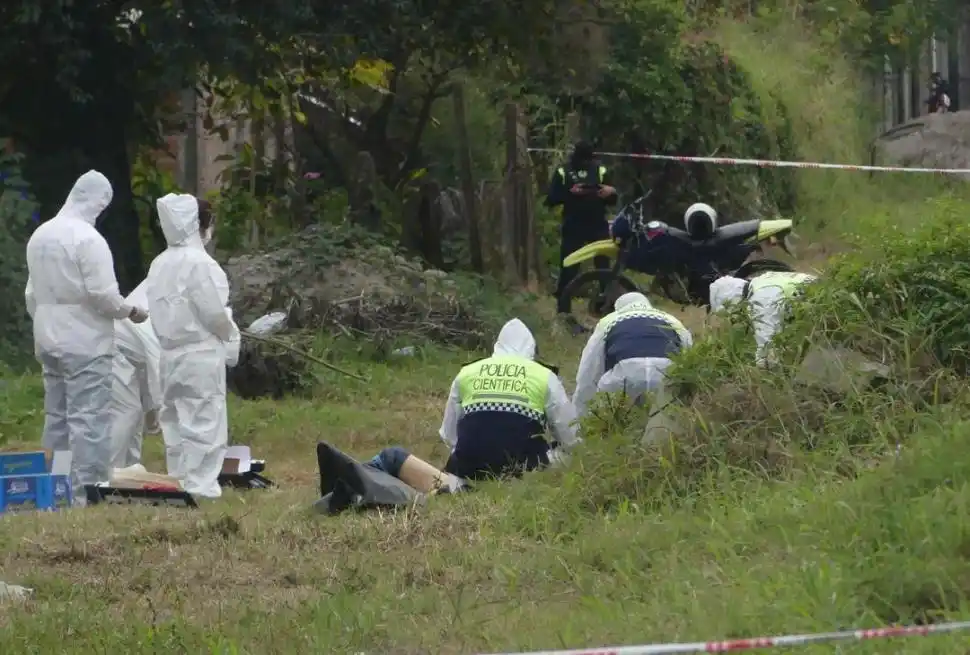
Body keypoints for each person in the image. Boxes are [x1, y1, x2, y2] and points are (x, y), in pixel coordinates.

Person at [24, 169, 150, 503]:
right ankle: (87, 495)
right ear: (100, 203)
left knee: (58, 419)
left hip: (47, 339)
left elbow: (31, 294)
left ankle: (56, 489)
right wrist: (131, 312)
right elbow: (104, 296)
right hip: (86, 344)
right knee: (89, 421)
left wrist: (47, 322)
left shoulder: (40, 235)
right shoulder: (88, 239)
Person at [107, 200, 219, 469]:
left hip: (135, 349)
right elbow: (152, 337)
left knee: (133, 417)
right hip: (121, 345)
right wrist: (162, 400)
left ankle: (123, 483)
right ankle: (101, 480)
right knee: (125, 414)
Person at [145, 193, 240, 498]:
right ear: (198, 225)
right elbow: (213, 312)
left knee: (175, 422)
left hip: (168, 354)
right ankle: (201, 488)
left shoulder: (159, 263)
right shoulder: (201, 264)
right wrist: (230, 330)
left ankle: (179, 482)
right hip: (200, 352)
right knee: (204, 421)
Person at [436, 318, 580, 480]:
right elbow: (571, 437)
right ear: (531, 348)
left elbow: (448, 435)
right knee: (568, 455)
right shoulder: (544, 376)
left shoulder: (466, 373)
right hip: (526, 472)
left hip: (469, 472)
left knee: (459, 451)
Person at [572, 292, 692, 418]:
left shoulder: (609, 320)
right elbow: (689, 354)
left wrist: (581, 416)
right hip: (666, 374)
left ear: (618, 308)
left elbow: (589, 369)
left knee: (611, 424)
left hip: (624, 376)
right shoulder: (671, 319)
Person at [545, 141, 618, 333]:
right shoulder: (563, 171)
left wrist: (609, 193)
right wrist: (570, 194)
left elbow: (613, 197)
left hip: (597, 224)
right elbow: (551, 199)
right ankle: (563, 311)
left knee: (603, 266)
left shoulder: (600, 169)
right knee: (569, 266)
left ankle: (608, 307)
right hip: (573, 225)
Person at [708, 270, 817, 367]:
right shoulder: (760, 281)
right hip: (822, 289)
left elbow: (767, 347)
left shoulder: (759, 301)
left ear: (732, 303)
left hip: (821, 304)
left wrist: (757, 369)